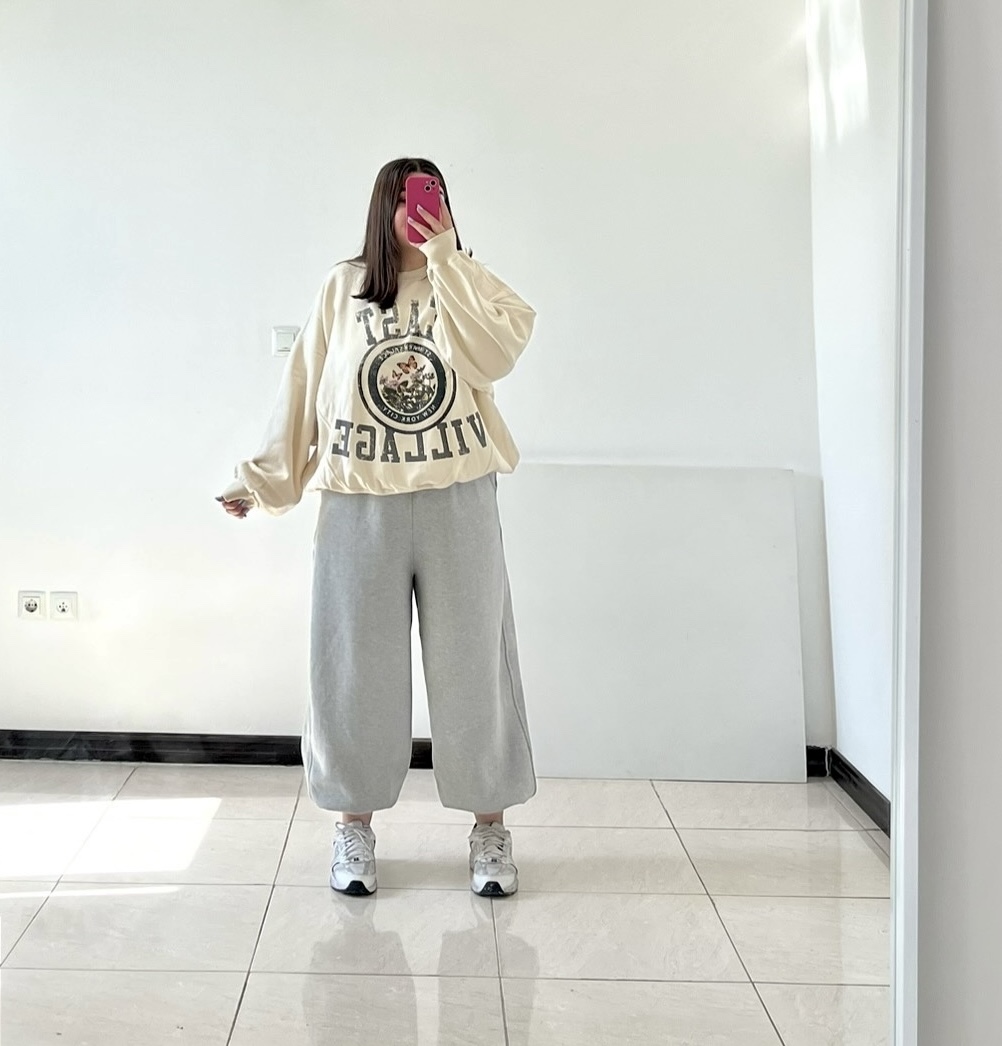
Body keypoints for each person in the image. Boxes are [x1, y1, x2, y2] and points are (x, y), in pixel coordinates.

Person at [217, 157, 537, 897]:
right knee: (354, 667)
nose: (420, 208)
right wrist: (263, 480)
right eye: (407, 197)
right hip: (358, 503)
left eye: (433, 195)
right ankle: (352, 828)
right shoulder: (344, 286)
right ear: (382, 206)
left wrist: (446, 259)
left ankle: (489, 830)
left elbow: (491, 360)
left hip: (458, 496)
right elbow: (303, 388)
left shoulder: (473, 281)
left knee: (474, 666)